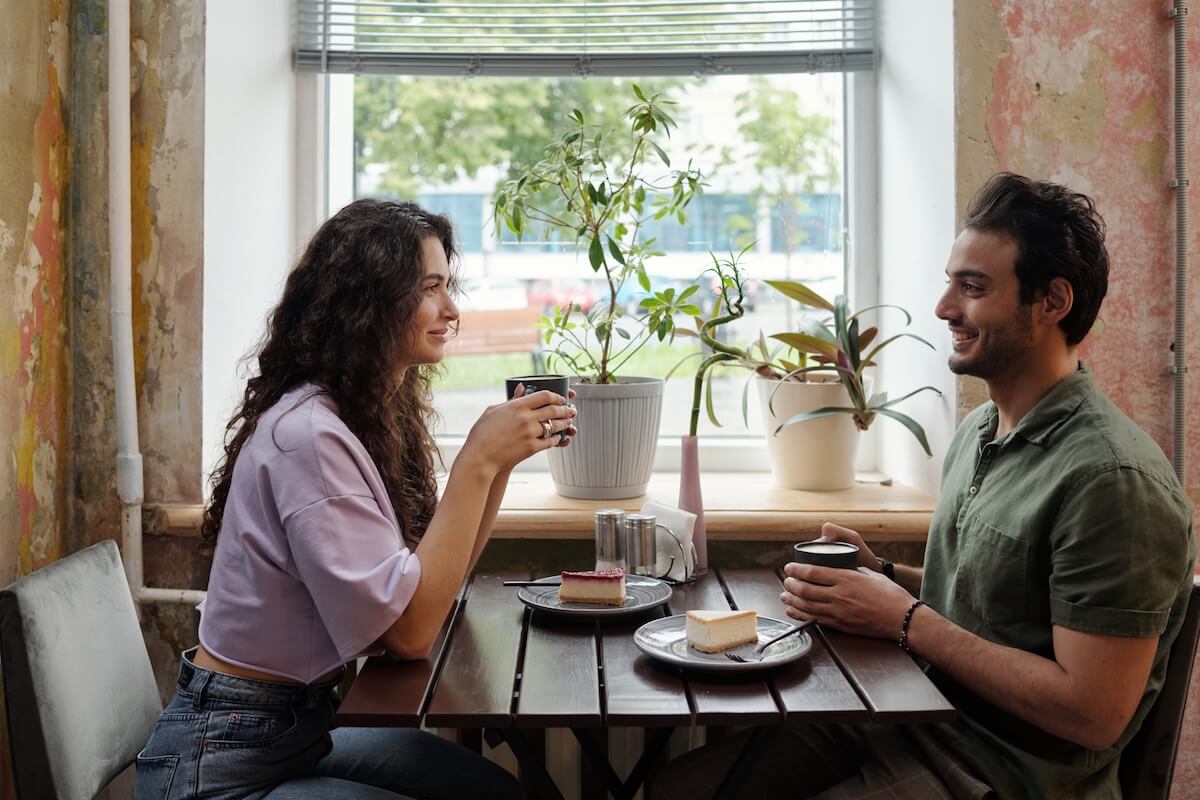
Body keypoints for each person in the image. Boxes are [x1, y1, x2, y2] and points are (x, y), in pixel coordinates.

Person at [649, 174, 1195, 799]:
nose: (944, 307)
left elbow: (1094, 712)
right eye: (951, 282)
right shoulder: (979, 431)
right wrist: (880, 574)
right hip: (911, 715)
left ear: (1053, 302)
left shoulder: (1113, 482)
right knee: (680, 788)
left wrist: (903, 619)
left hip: (997, 773)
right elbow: (991, 608)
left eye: (973, 287)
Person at [135, 199, 576, 799]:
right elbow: (411, 633)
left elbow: (427, 593)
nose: (451, 311)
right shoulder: (310, 439)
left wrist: (498, 466)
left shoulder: (353, 415)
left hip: (290, 733)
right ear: (371, 302)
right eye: (430, 289)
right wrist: (478, 459)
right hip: (222, 762)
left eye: (450, 287)